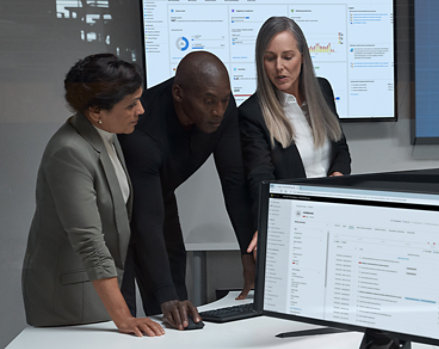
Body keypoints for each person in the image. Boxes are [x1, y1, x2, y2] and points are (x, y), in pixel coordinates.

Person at [22, 53, 164, 337]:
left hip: (96, 292)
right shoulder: (69, 152)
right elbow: (89, 241)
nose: (141, 110)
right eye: (132, 104)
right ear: (96, 111)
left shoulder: (105, 134)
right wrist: (125, 317)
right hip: (72, 301)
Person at [118, 51, 256, 329]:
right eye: (208, 101)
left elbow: (233, 182)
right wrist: (166, 296)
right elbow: (145, 220)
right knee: (126, 310)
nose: (218, 111)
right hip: (118, 210)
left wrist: (246, 254)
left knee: (179, 308)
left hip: (161, 196)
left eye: (224, 100)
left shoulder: (223, 110)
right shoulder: (143, 128)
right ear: (179, 93)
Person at [239, 16, 352, 254]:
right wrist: (265, 223)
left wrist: (337, 177)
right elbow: (260, 177)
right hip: (294, 226)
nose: (279, 66)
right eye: (270, 58)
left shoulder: (322, 90)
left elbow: (340, 148)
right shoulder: (252, 113)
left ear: (302, 56)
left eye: (287, 57)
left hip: (334, 217)